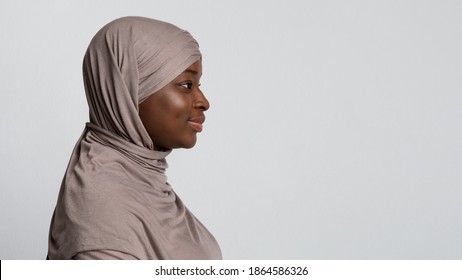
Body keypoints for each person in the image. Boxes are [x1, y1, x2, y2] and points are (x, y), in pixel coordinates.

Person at [47, 16, 222, 260]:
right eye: (186, 84)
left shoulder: (142, 180)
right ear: (128, 90)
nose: (204, 101)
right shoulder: (104, 219)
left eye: (199, 84)